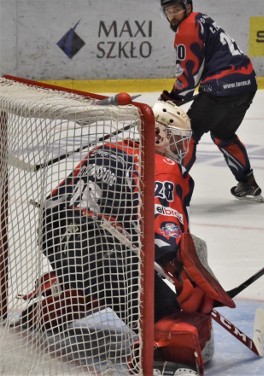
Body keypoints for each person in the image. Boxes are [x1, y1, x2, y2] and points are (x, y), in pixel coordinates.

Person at [20, 101, 234, 374]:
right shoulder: (165, 165)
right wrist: (178, 267)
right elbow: (164, 225)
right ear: (157, 135)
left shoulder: (108, 148)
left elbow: (63, 199)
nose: (182, 149)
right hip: (96, 246)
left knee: (112, 276)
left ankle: (63, 291)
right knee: (167, 309)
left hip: (53, 235)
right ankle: (158, 355)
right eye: (178, 140)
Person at [159, 0, 264, 203]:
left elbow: (190, 77)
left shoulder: (186, 30)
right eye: (169, 11)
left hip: (221, 88)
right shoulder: (200, 18)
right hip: (246, 84)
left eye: (177, 10)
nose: (173, 15)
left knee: (186, 134)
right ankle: (248, 183)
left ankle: (173, 190)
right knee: (223, 135)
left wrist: (173, 97)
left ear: (188, 7)